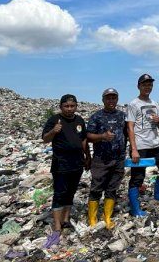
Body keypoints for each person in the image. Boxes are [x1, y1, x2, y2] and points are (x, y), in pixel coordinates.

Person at [41, 94, 90, 248]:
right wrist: (54, 131)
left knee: (70, 192)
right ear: (61, 107)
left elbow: (83, 139)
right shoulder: (54, 120)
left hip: (77, 163)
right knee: (59, 193)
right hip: (61, 164)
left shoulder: (79, 120)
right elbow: (45, 139)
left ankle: (66, 220)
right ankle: (57, 226)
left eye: (72, 106)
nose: (69, 109)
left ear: (76, 106)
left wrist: (88, 156)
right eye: (66, 106)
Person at [126, 74, 159, 215]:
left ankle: (158, 195)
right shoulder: (133, 104)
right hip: (140, 146)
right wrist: (134, 149)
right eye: (144, 84)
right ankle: (135, 210)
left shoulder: (155, 104)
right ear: (139, 86)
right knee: (137, 178)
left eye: (149, 85)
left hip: (155, 144)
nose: (147, 87)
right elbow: (130, 127)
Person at [86, 88, 127, 229]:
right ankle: (92, 219)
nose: (111, 100)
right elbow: (88, 136)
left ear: (117, 99)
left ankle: (107, 217)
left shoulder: (123, 116)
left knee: (112, 188)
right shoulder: (96, 116)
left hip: (118, 158)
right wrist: (102, 136)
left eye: (113, 98)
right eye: (108, 98)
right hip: (101, 159)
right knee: (96, 188)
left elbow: (128, 133)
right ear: (103, 100)